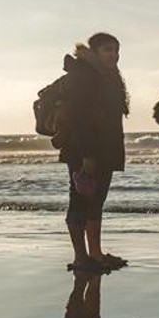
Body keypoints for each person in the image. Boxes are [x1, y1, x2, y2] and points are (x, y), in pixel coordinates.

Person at [57, 32, 129, 273]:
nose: (114, 55)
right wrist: (87, 155)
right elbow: (79, 119)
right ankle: (80, 257)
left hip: (104, 149)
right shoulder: (85, 75)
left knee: (96, 201)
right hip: (84, 151)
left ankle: (95, 254)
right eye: (108, 50)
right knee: (79, 201)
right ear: (95, 52)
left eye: (116, 50)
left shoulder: (108, 76)